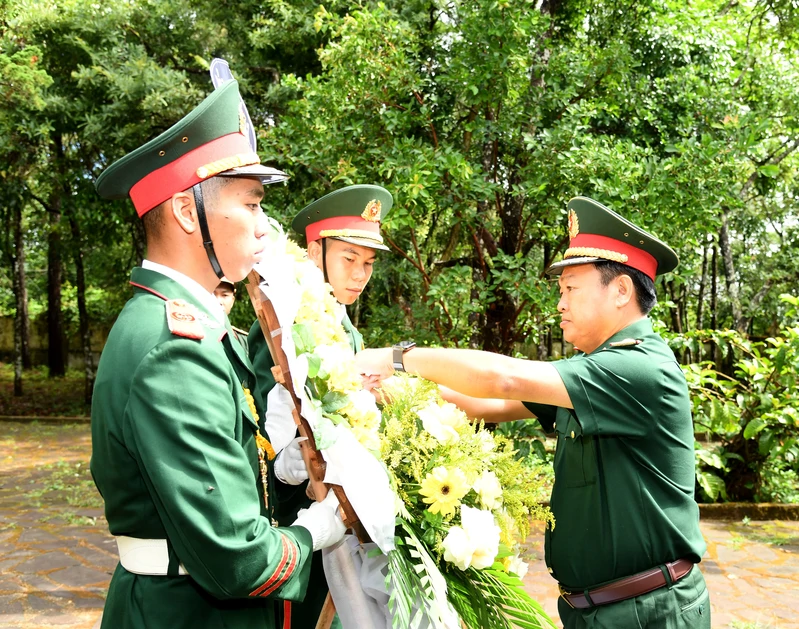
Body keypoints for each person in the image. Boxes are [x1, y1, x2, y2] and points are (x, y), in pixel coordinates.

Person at [355, 196, 710, 629]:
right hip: (597, 609)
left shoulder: (638, 367)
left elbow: (505, 379)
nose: (560, 304)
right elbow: (485, 404)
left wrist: (395, 357)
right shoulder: (592, 373)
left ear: (620, 290)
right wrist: (387, 390)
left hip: (648, 611)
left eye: (571, 289)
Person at [90, 79, 346, 629]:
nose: (264, 226)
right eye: (251, 203)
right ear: (187, 211)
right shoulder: (173, 351)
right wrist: (319, 527)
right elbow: (236, 558)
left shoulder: (186, 329)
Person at [248, 184, 393, 629]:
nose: (360, 274)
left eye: (368, 263)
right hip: (300, 516)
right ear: (314, 254)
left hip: (345, 515)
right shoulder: (281, 330)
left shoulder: (343, 329)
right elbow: (270, 439)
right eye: (348, 258)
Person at [214, 276, 250, 352]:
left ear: (232, 300)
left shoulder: (244, 341)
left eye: (224, 295)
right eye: (213, 294)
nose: (218, 301)